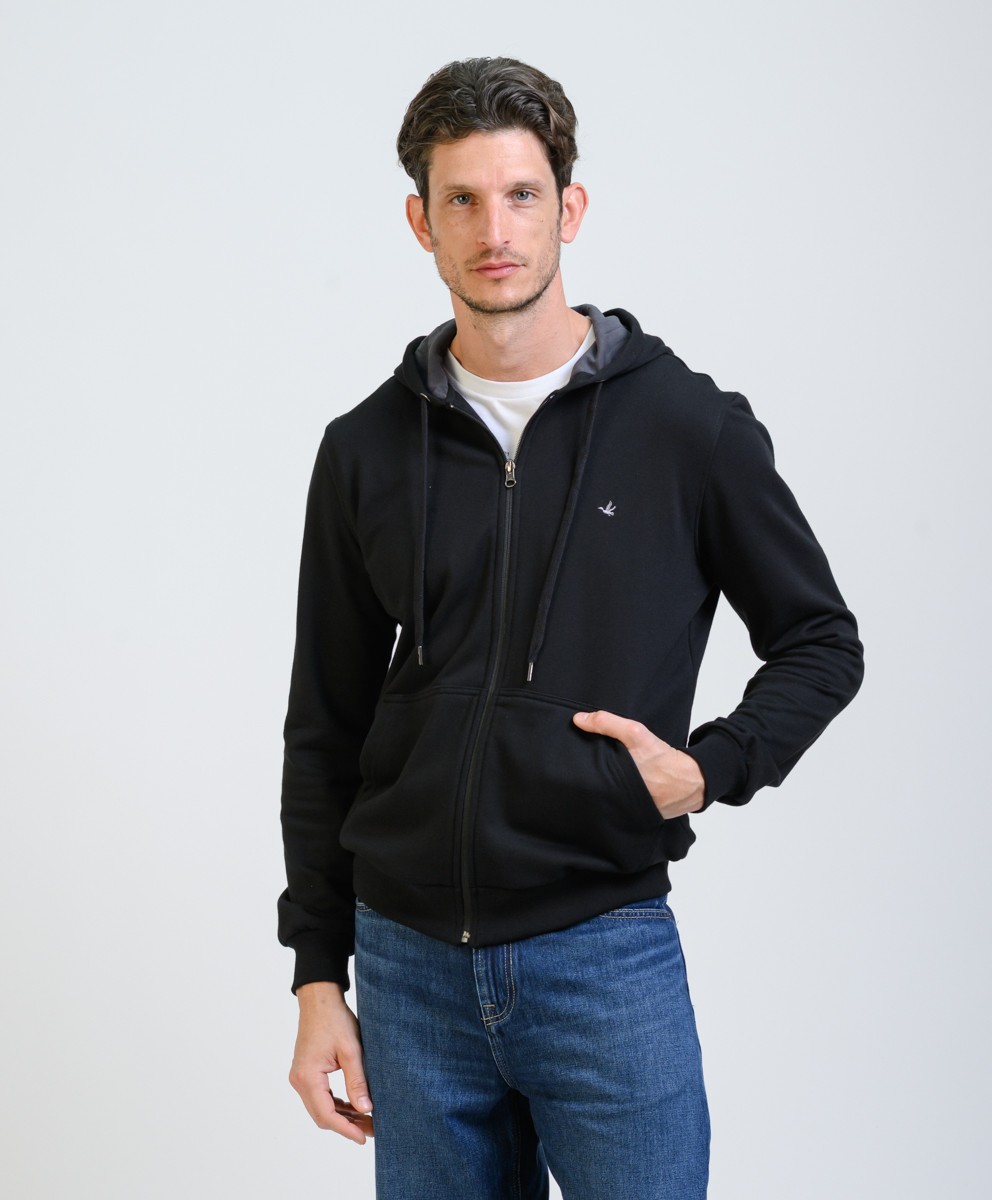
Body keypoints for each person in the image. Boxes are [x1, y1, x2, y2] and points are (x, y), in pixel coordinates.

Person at [277, 56, 863, 1200]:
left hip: (599, 956)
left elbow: (820, 642)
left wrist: (709, 769)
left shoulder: (685, 428)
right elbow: (324, 728)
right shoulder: (365, 449)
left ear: (570, 208)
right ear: (421, 223)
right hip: (407, 971)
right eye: (461, 200)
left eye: (521, 195)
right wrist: (316, 976)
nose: (494, 230)